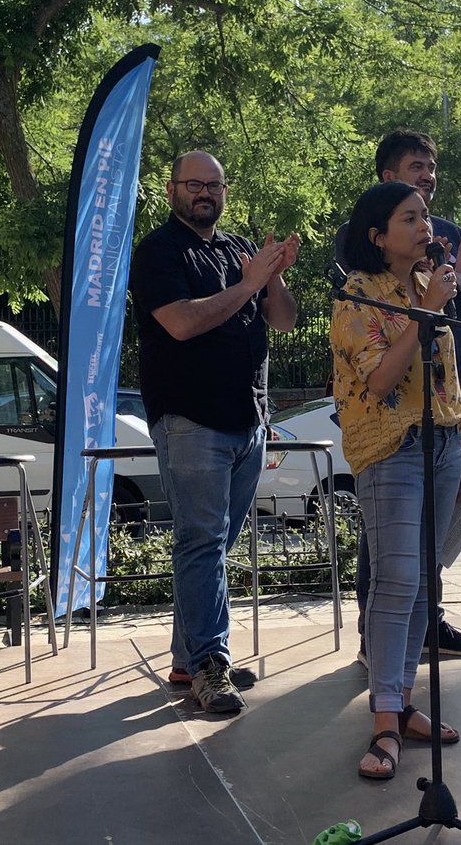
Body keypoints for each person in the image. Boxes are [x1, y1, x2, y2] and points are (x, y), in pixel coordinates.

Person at [130, 151, 299, 713]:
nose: (204, 192)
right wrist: (250, 284)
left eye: (214, 184)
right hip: (190, 419)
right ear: (172, 189)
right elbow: (180, 323)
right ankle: (209, 664)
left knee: (210, 549)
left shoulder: (237, 250)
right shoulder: (157, 252)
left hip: (246, 420)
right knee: (201, 544)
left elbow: (284, 320)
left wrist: (270, 279)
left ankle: (190, 656)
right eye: (194, 184)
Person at [335, 129, 461, 660]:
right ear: (387, 177)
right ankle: (376, 644)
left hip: (445, 408)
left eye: (431, 167)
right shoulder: (363, 236)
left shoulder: (443, 237)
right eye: (415, 167)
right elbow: (371, 337)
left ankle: (427, 629)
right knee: (390, 555)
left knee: (426, 555)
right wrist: (426, 300)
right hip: (389, 422)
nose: (427, 177)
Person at [332, 181, 461, 779]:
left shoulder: (425, 286)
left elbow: (447, 379)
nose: (424, 227)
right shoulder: (356, 297)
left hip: (440, 440)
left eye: (425, 217)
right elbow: (384, 379)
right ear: (377, 234)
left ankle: (404, 700)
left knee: (422, 583)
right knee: (395, 583)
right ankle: (383, 722)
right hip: (391, 447)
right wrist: (429, 313)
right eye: (409, 218)